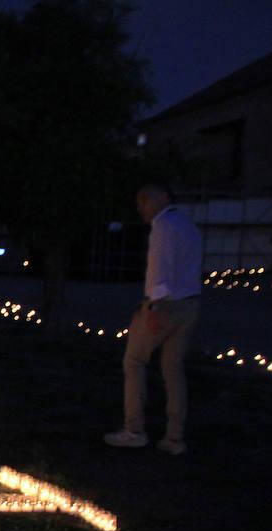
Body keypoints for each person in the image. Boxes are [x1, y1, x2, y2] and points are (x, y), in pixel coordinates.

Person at [104, 183, 203, 455]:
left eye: (146, 200)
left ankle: (134, 429)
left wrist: (154, 309)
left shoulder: (163, 226)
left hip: (165, 306)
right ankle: (174, 437)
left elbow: (160, 270)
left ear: (165, 198)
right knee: (173, 368)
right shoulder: (187, 224)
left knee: (134, 361)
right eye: (139, 201)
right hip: (190, 304)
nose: (141, 207)